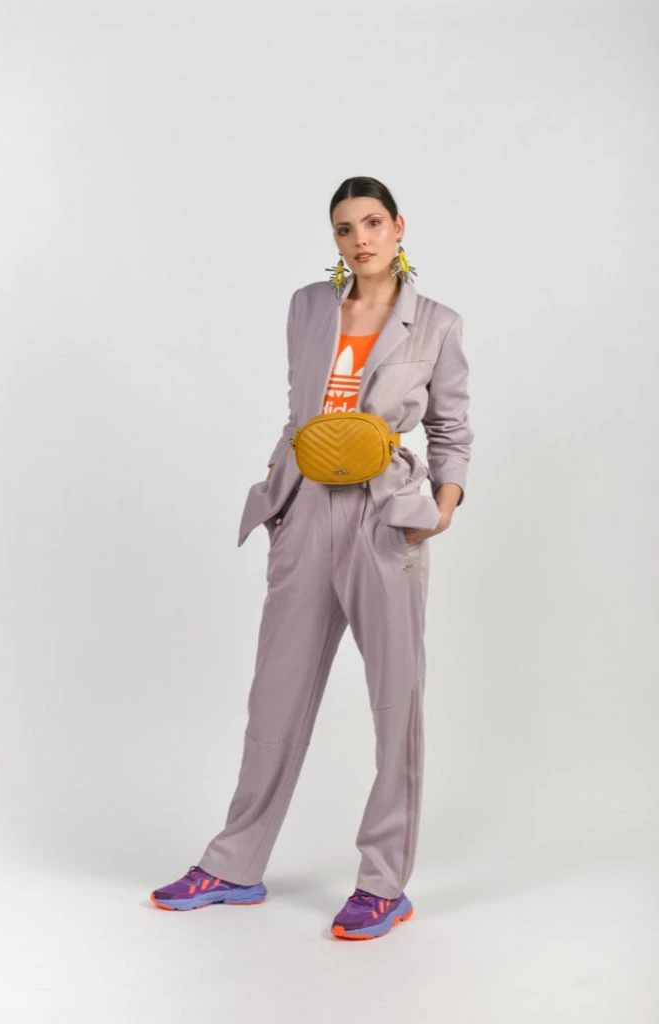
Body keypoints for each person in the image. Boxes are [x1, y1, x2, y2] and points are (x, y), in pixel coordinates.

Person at [149, 176, 474, 940]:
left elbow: (451, 427)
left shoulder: (435, 323)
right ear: (334, 239)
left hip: (383, 520)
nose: (359, 239)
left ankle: (383, 884)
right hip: (303, 514)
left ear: (398, 227)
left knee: (394, 705)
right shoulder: (306, 307)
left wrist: (442, 508)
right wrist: (278, 484)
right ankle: (234, 864)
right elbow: (303, 409)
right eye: (343, 228)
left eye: (372, 223)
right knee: (275, 697)